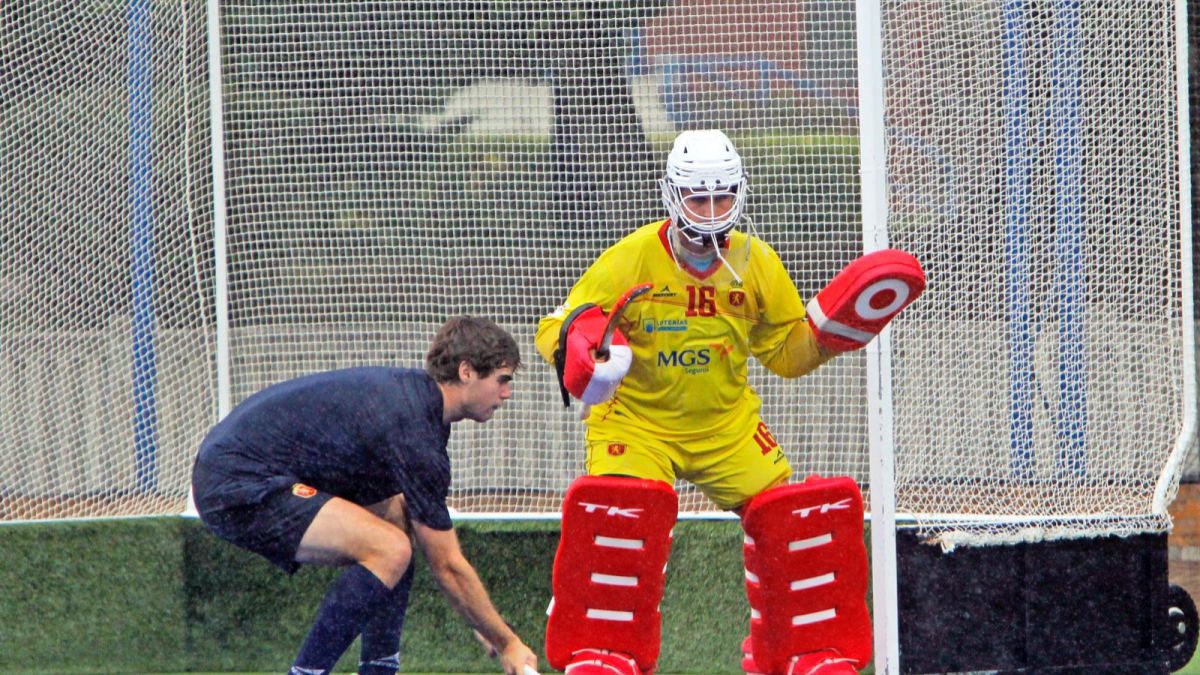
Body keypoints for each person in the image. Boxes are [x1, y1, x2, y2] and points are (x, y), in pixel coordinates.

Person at [534, 130, 924, 675]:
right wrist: (578, 345)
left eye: (722, 196)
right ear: (672, 195)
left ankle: (801, 656)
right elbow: (556, 324)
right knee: (621, 521)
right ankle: (603, 656)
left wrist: (837, 331)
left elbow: (787, 354)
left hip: (728, 427)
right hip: (638, 422)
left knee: (794, 526)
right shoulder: (631, 257)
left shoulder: (756, 261)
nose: (712, 211)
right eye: (699, 197)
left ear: (739, 192)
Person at [191, 316, 539, 675]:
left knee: (399, 517)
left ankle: (379, 670)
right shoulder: (416, 431)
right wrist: (506, 642)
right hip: (233, 480)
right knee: (389, 547)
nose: (507, 394)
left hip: (237, 470)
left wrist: (483, 622)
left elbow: (433, 546)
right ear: (467, 371)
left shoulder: (419, 408)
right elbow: (447, 566)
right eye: (502, 380)